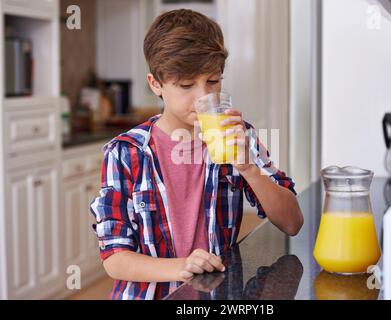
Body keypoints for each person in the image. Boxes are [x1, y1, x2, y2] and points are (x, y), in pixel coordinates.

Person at [90, 9, 303, 300]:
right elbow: (115, 259)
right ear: (156, 84)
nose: (204, 97)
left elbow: (292, 223)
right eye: (187, 85)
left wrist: (249, 168)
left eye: (213, 82)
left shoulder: (237, 136)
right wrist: (182, 268)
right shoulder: (125, 153)